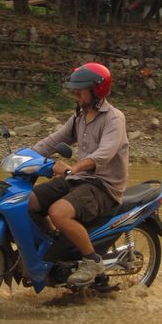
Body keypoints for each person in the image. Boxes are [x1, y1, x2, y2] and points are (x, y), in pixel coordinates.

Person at [29, 62, 129, 286]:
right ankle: (54, 244)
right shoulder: (80, 117)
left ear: (97, 90)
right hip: (78, 180)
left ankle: (92, 261)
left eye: (80, 89)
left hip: (104, 186)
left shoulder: (114, 118)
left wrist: (74, 167)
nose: (76, 93)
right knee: (28, 201)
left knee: (58, 212)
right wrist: (26, 156)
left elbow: (103, 155)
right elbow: (55, 141)